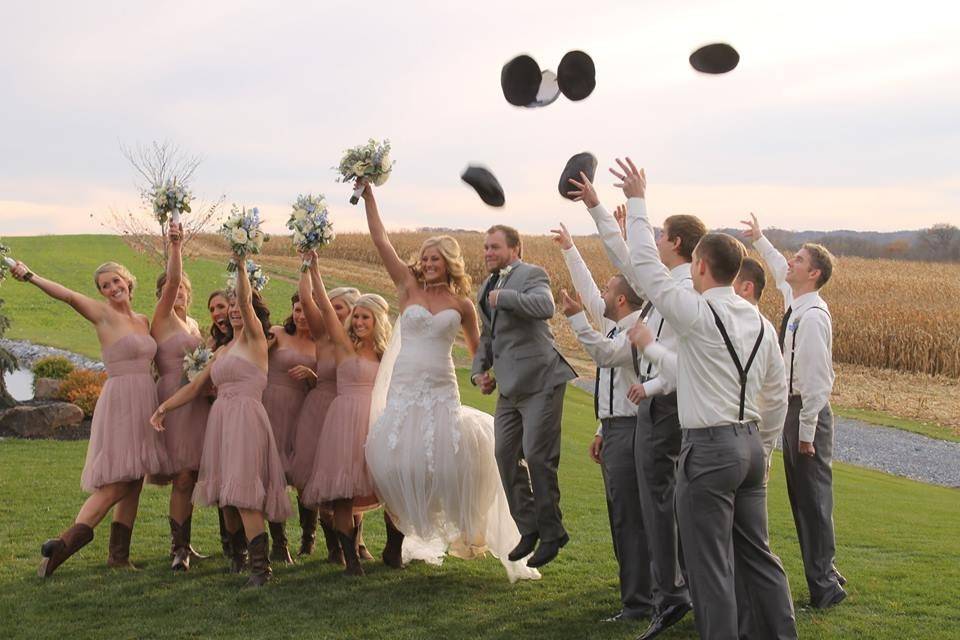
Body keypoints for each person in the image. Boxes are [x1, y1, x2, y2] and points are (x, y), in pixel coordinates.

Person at [599, 157, 796, 640]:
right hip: (749, 447)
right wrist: (764, 449)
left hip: (708, 451)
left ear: (701, 267)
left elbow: (645, 268)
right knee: (758, 556)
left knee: (710, 568)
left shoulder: (699, 313)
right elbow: (772, 392)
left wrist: (638, 198)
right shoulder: (760, 321)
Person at [358, 181, 540, 582]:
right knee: (395, 461)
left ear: (448, 263)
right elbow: (380, 240)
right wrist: (370, 197)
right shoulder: (407, 288)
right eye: (423, 258)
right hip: (404, 387)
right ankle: (401, 531)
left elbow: (479, 348)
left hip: (441, 386)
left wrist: (484, 374)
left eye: (434, 258)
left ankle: (464, 531)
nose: (427, 263)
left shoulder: (461, 305)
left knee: (444, 463)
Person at [568, 177, 703, 637]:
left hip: (661, 405)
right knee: (667, 504)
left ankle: (669, 596)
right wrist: (598, 209)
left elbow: (634, 261)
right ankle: (677, 593)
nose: (655, 241)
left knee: (658, 505)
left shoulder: (678, 289)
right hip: (661, 400)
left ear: (677, 243)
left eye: (661, 234)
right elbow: (629, 260)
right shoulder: (672, 287)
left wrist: (628, 203)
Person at [10, 259, 170, 577]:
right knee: (118, 482)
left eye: (115, 281)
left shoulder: (142, 320)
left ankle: (119, 556)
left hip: (145, 400)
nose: (112, 288)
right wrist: (31, 276)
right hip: (122, 402)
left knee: (135, 479)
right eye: (105, 286)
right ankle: (64, 544)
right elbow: (68, 296)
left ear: (128, 280)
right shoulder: (103, 314)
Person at [151, 248, 292, 588]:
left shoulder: (258, 339)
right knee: (227, 495)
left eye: (239, 308)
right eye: (230, 310)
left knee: (244, 492)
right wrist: (164, 407)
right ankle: (241, 560)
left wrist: (241, 264)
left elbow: (244, 299)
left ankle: (262, 569)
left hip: (246, 418)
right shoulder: (223, 351)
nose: (234, 312)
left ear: (250, 312)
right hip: (222, 420)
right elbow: (198, 386)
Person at [743, 213, 846, 609]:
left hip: (807, 413)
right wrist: (759, 240)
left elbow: (818, 381)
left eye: (799, 259)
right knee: (804, 498)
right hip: (793, 410)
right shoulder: (798, 304)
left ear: (815, 273)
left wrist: (805, 433)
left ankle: (825, 586)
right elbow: (776, 268)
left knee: (812, 500)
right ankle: (826, 576)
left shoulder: (815, 317)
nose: (791, 262)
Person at [553, 222, 654, 620]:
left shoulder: (634, 333)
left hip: (632, 430)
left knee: (631, 517)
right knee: (622, 515)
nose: (602, 296)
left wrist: (577, 319)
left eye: (611, 290)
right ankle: (638, 592)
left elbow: (607, 358)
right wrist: (569, 247)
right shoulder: (617, 323)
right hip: (613, 428)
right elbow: (591, 293)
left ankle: (640, 602)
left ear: (624, 299)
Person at [471, 224, 577, 569]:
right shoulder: (485, 287)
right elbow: (488, 337)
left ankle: (551, 532)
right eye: (486, 247)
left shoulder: (532, 273)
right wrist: (478, 371)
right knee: (503, 454)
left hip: (542, 380)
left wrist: (508, 298)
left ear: (515, 249)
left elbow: (545, 307)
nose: (488, 252)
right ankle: (529, 527)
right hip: (510, 389)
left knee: (537, 455)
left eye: (495, 247)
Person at [299, 248, 388, 577]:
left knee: (373, 482)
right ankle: (349, 560)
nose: (361, 322)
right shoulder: (343, 344)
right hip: (343, 418)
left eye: (367, 317)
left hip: (372, 420)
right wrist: (314, 268)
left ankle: (387, 548)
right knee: (343, 492)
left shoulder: (383, 352)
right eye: (358, 316)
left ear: (377, 321)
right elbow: (322, 304)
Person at [291, 264, 369, 564]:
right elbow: (309, 299)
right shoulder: (323, 337)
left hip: (353, 413)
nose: (335, 312)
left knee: (354, 479)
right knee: (324, 481)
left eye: (341, 308)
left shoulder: (364, 344)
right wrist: (307, 263)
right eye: (332, 307)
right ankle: (335, 546)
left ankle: (356, 542)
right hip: (321, 411)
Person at [149, 222, 211, 571]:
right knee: (183, 475)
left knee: (195, 473)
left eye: (183, 290)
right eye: (172, 290)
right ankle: (179, 549)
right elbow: (171, 280)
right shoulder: (161, 319)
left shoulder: (195, 327)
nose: (177, 294)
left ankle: (187, 542)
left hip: (198, 401)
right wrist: (176, 245)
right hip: (173, 397)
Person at [261, 293, 316, 564]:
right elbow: (254, 356)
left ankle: (308, 538)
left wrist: (312, 375)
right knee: (274, 476)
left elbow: (327, 384)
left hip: (303, 411)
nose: (301, 316)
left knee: (304, 476)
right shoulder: (277, 333)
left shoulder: (322, 344)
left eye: (307, 311)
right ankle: (279, 544)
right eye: (297, 310)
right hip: (270, 407)